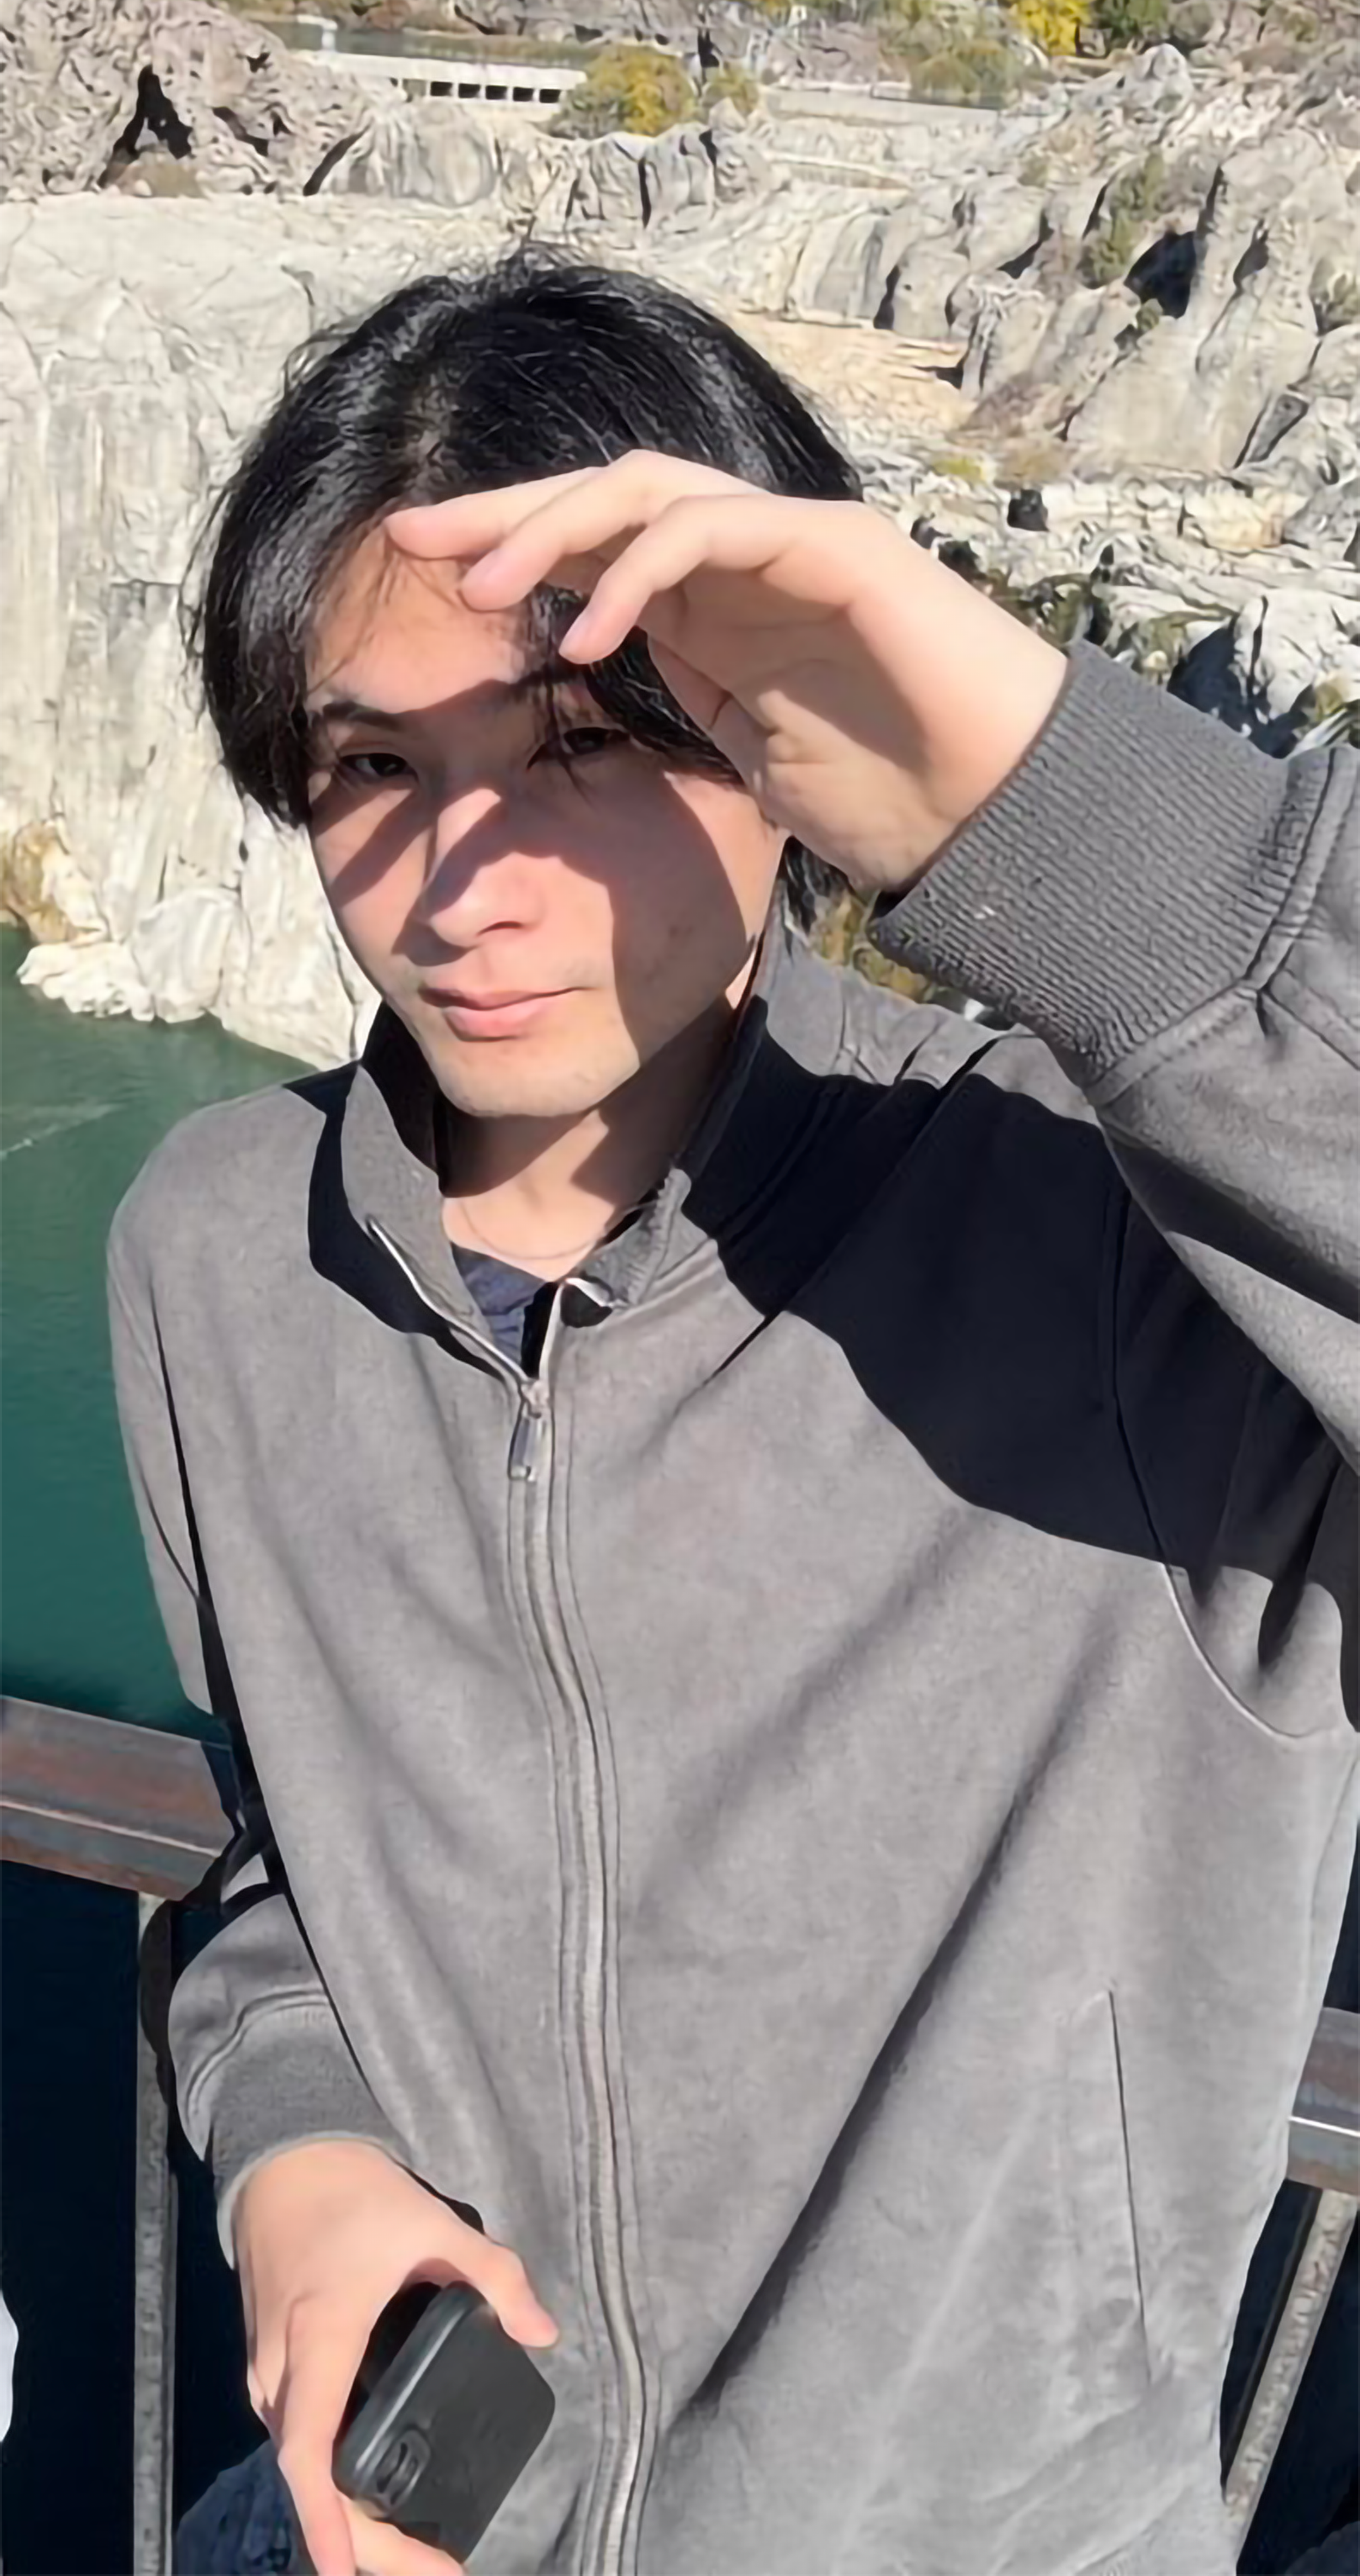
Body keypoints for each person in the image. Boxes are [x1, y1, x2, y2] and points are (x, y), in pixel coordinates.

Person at [109, 251, 1360, 2576]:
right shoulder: (218, 1252)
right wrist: (296, 2149)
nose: (459, 882)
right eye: (371, 765)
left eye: (584, 741)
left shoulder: (1125, 1254)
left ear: (774, 734)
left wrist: (1031, 792)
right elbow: (294, 1868)